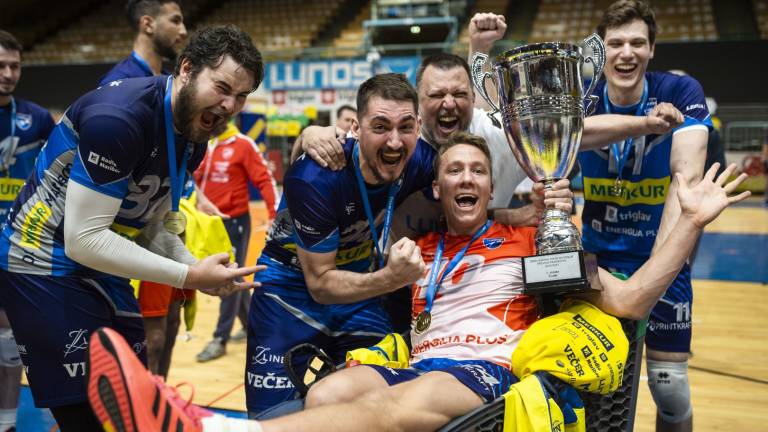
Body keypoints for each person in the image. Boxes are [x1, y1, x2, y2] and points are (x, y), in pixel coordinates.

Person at [84, 131, 749, 432]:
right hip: (418, 363)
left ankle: (206, 429)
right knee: (329, 394)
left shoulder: (530, 242)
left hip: (487, 372)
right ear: (438, 187)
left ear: (491, 186)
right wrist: (318, 134)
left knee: (389, 413)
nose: (466, 178)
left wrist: (689, 221)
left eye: (478, 171)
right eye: (454, 170)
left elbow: (630, 300)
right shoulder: (418, 247)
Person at [0, 25, 264, 431]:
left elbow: (150, 223)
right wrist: (189, 275)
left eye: (241, 96)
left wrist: (195, 266)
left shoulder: (195, 131)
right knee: (91, 416)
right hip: (41, 259)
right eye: (223, 87)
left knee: (131, 403)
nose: (230, 105)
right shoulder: (119, 119)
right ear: (187, 69)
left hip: (98, 264)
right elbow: (83, 239)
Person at [576, 2, 712, 430]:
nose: (626, 53)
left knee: (670, 386)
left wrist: (657, 268)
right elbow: (565, 138)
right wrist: (644, 126)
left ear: (652, 49)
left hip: (661, 257)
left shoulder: (680, 91)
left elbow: (686, 181)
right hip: (598, 261)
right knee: (594, 379)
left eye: (637, 43)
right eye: (615, 43)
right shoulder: (584, 96)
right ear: (602, 51)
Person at [0, 29, 56, 432]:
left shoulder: (36, 118)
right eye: (0, 66)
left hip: (18, 244)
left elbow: (59, 173)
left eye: (15, 66)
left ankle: (7, 424)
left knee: (9, 342)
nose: (8, 74)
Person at [194, 121, 278, 362]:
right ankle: (251, 323)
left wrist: (274, 215)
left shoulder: (243, 144)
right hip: (207, 222)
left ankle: (219, 338)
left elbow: (264, 180)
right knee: (234, 276)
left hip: (235, 221)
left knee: (226, 275)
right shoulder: (206, 144)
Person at [98, 0, 188, 86]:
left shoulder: (170, 80)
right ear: (148, 25)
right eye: (175, 21)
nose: (184, 32)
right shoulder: (116, 81)